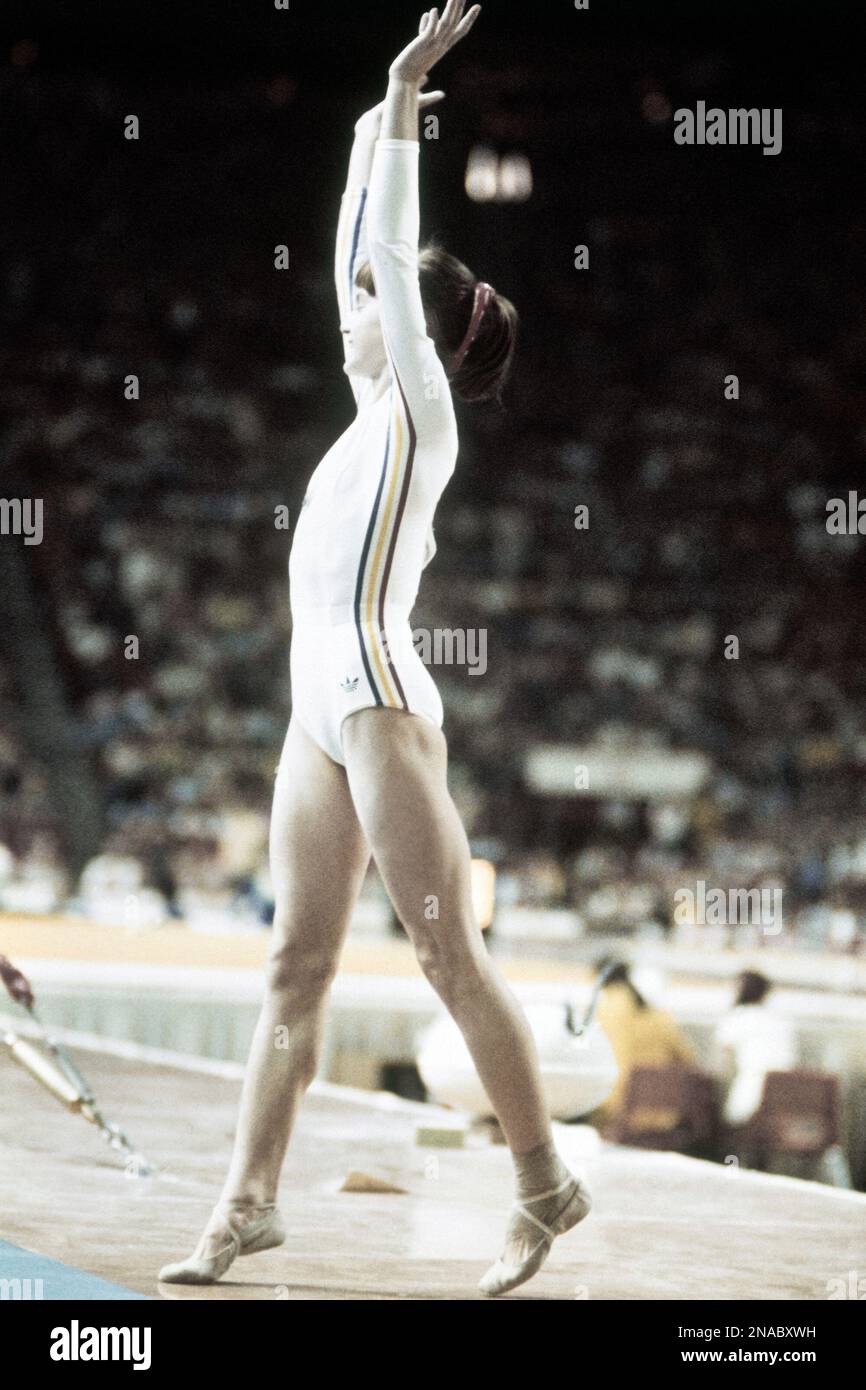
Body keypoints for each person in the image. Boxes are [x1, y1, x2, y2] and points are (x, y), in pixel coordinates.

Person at [159, 2, 591, 1298]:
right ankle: (246, 1201)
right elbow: (365, 240)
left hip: (380, 708)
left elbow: (385, 246)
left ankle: (542, 1182)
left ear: (417, 330)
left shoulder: (418, 409)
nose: (351, 294)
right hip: (313, 707)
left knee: (445, 952)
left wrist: (403, 93)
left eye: (376, 297)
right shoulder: (368, 410)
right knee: (295, 961)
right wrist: (367, 125)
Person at [590, 959, 695, 1131]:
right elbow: (686, 1058)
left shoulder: (607, 1006)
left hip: (620, 1106)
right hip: (662, 1109)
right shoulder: (655, 1013)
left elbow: (611, 1055)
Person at [715, 970, 796, 1130]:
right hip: (787, 1096)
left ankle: (732, 1157)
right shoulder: (781, 1020)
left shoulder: (737, 1018)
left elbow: (723, 1059)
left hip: (750, 1097)